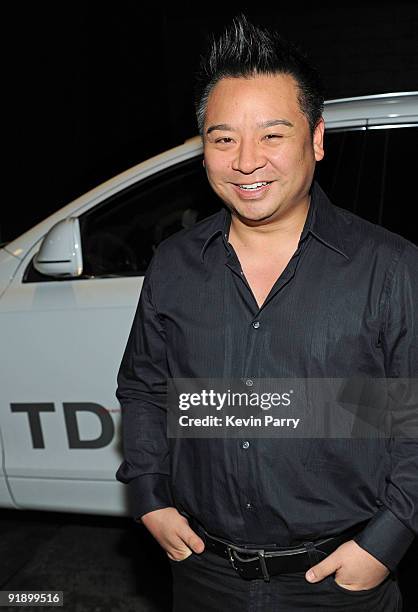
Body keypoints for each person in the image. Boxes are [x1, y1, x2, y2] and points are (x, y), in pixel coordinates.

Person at [115, 13, 417, 611]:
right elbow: (146, 387)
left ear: (317, 139)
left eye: (273, 135)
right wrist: (149, 494)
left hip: (339, 581)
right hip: (204, 573)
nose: (246, 161)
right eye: (223, 138)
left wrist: (386, 542)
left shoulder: (391, 267)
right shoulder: (174, 265)